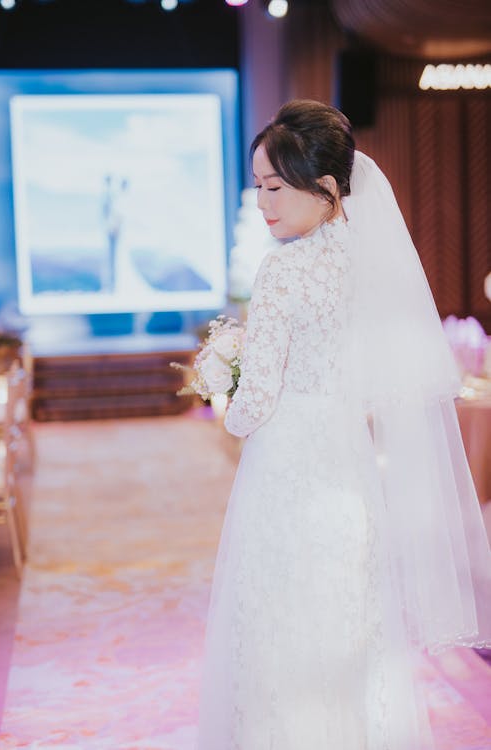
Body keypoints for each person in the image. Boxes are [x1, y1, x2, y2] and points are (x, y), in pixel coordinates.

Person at [196, 100, 491, 750]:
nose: (264, 203)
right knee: (343, 631)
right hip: (349, 471)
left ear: (324, 187)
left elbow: (255, 407)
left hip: (286, 474)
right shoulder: (367, 260)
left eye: (275, 187)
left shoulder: (282, 270)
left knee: (278, 630)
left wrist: (228, 389)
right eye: (258, 187)